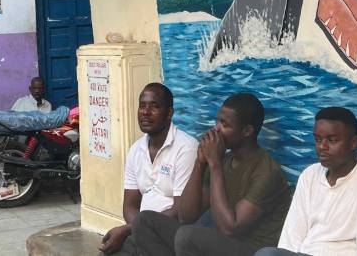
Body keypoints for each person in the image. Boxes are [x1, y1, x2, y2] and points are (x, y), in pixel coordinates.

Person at [131, 93, 291, 256]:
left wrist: (214, 165)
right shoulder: (223, 160)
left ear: (247, 131)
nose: (216, 129)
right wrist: (200, 163)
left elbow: (230, 228)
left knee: (187, 237)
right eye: (217, 121)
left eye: (224, 124)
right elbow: (186, 216)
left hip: (250, 249)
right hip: (218, 240)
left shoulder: (267, 172)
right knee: (144, 222)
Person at [255, 107, 357, 256]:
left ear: (353, 142)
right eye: (317, 139)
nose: (322, 146)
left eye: (332, 140)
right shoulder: (309, 176)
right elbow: (291, 239)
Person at [99, 83, 197, 255]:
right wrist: (134, 230)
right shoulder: (136, 149)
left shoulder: (186, 148)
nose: (145, 112)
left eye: (154, 106)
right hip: (140, 231)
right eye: (142, 106)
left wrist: (128, 229)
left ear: (169, 114)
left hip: (172, 234)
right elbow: (129, 205)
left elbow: (181, 210)